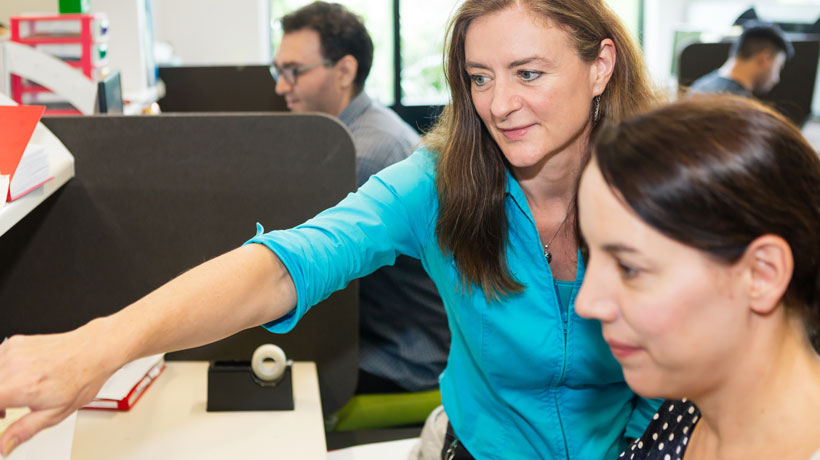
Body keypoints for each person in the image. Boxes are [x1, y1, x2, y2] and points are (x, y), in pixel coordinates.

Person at [0, 0, 663, 458]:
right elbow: (289, 262)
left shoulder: (667, 186)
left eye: (529, 73)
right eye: (479, 78)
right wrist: (102, 346)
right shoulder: (439, 181)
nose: (498, 104)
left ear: (599, 65)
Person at [575, 94, 820, 460]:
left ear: (762, 273)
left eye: (629, 268)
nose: (586, 303)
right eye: (590, 256)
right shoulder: (689, 400)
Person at [272, 1, 448, 395]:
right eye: (278, 71)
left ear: (345, 71)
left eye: (293, 72)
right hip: (383, 333)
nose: (281, 85)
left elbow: (300, 261)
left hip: (407, 356)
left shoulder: (368, 152)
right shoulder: (356, 132)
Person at [688, 22, 793, 98]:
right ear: (765, 58)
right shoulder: (738, 105)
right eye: (778, 67)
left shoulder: (701, 86)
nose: (776, 79)